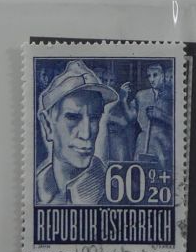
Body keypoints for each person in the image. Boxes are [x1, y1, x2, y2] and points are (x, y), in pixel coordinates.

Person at [33, 61, 117, 206]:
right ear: (48, 125)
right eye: (73, 117)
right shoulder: (36, 188)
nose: (86, 134)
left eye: (94, 118)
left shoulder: (114, 191)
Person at [135, 62, 174, 168]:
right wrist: (123, 101)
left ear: (163, 75)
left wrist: (161, 116)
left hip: (163, 147)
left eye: (155, 75)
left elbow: (182, 125)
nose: (151, 79)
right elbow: (130, 117)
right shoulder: (141, 95)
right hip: (142, 147)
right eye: (149, 76)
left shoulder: (172, 95)